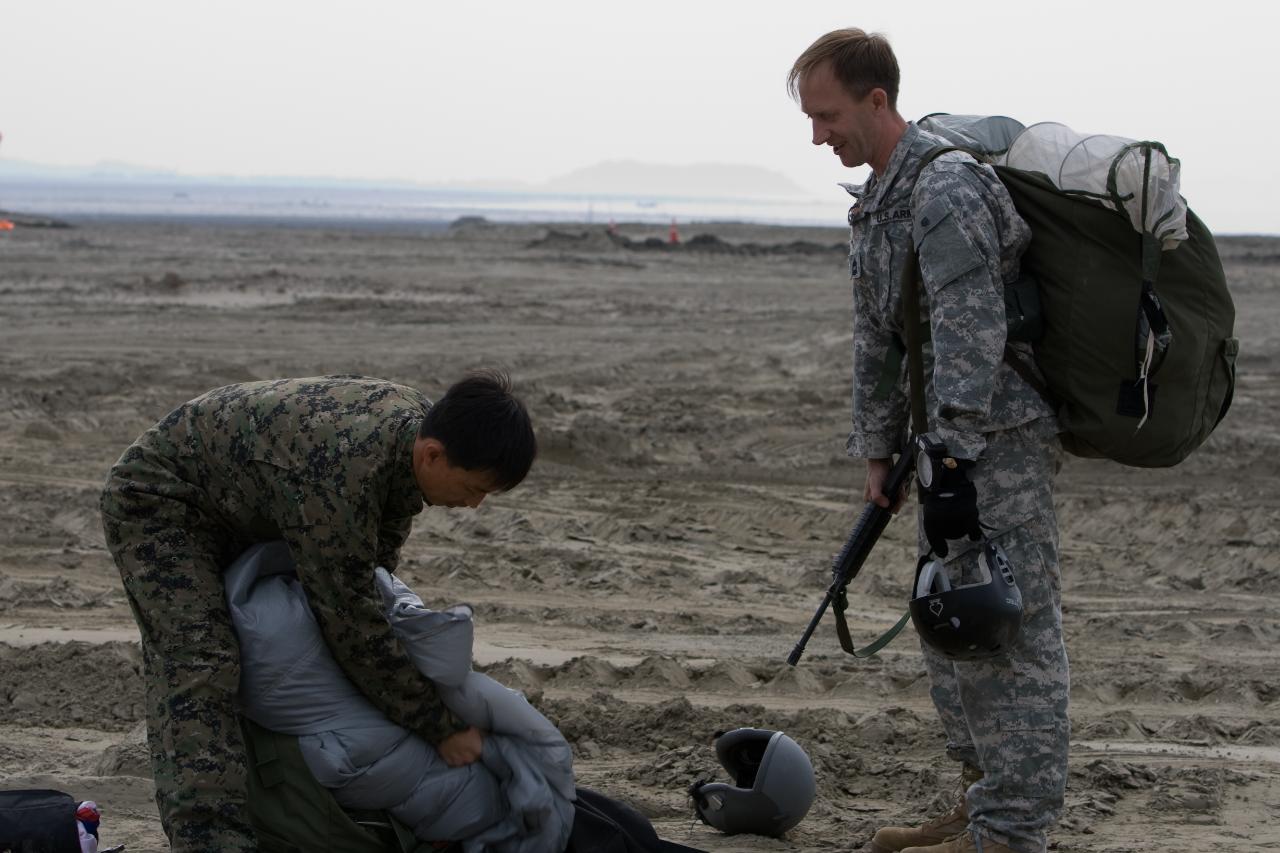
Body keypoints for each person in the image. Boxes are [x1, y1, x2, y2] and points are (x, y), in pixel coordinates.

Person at [788, 30, 1068, 853]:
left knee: (1009, 633)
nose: (817, 136)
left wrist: (950, 456)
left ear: (878, 101)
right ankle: (977, 805)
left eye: (828, 115)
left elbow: (969, 330)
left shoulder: (944, 187)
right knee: (953, 625)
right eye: (809, 118)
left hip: (996, 445)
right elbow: (879, 336)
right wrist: (882, 451)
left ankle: (1012, 831)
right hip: (944, 448)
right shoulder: (878, 198)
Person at [100, 371, 537, 852]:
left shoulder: (411, 438)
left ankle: (279, 804)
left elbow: (370, 578)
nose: (474, 505)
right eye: (474, 488)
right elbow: (352, 623)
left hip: (246, 502)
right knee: (202, 664)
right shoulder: (344, 473)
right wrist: (438, 727)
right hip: (162, 503)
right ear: (433, 454)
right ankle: (210, 837)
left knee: (289, 648)